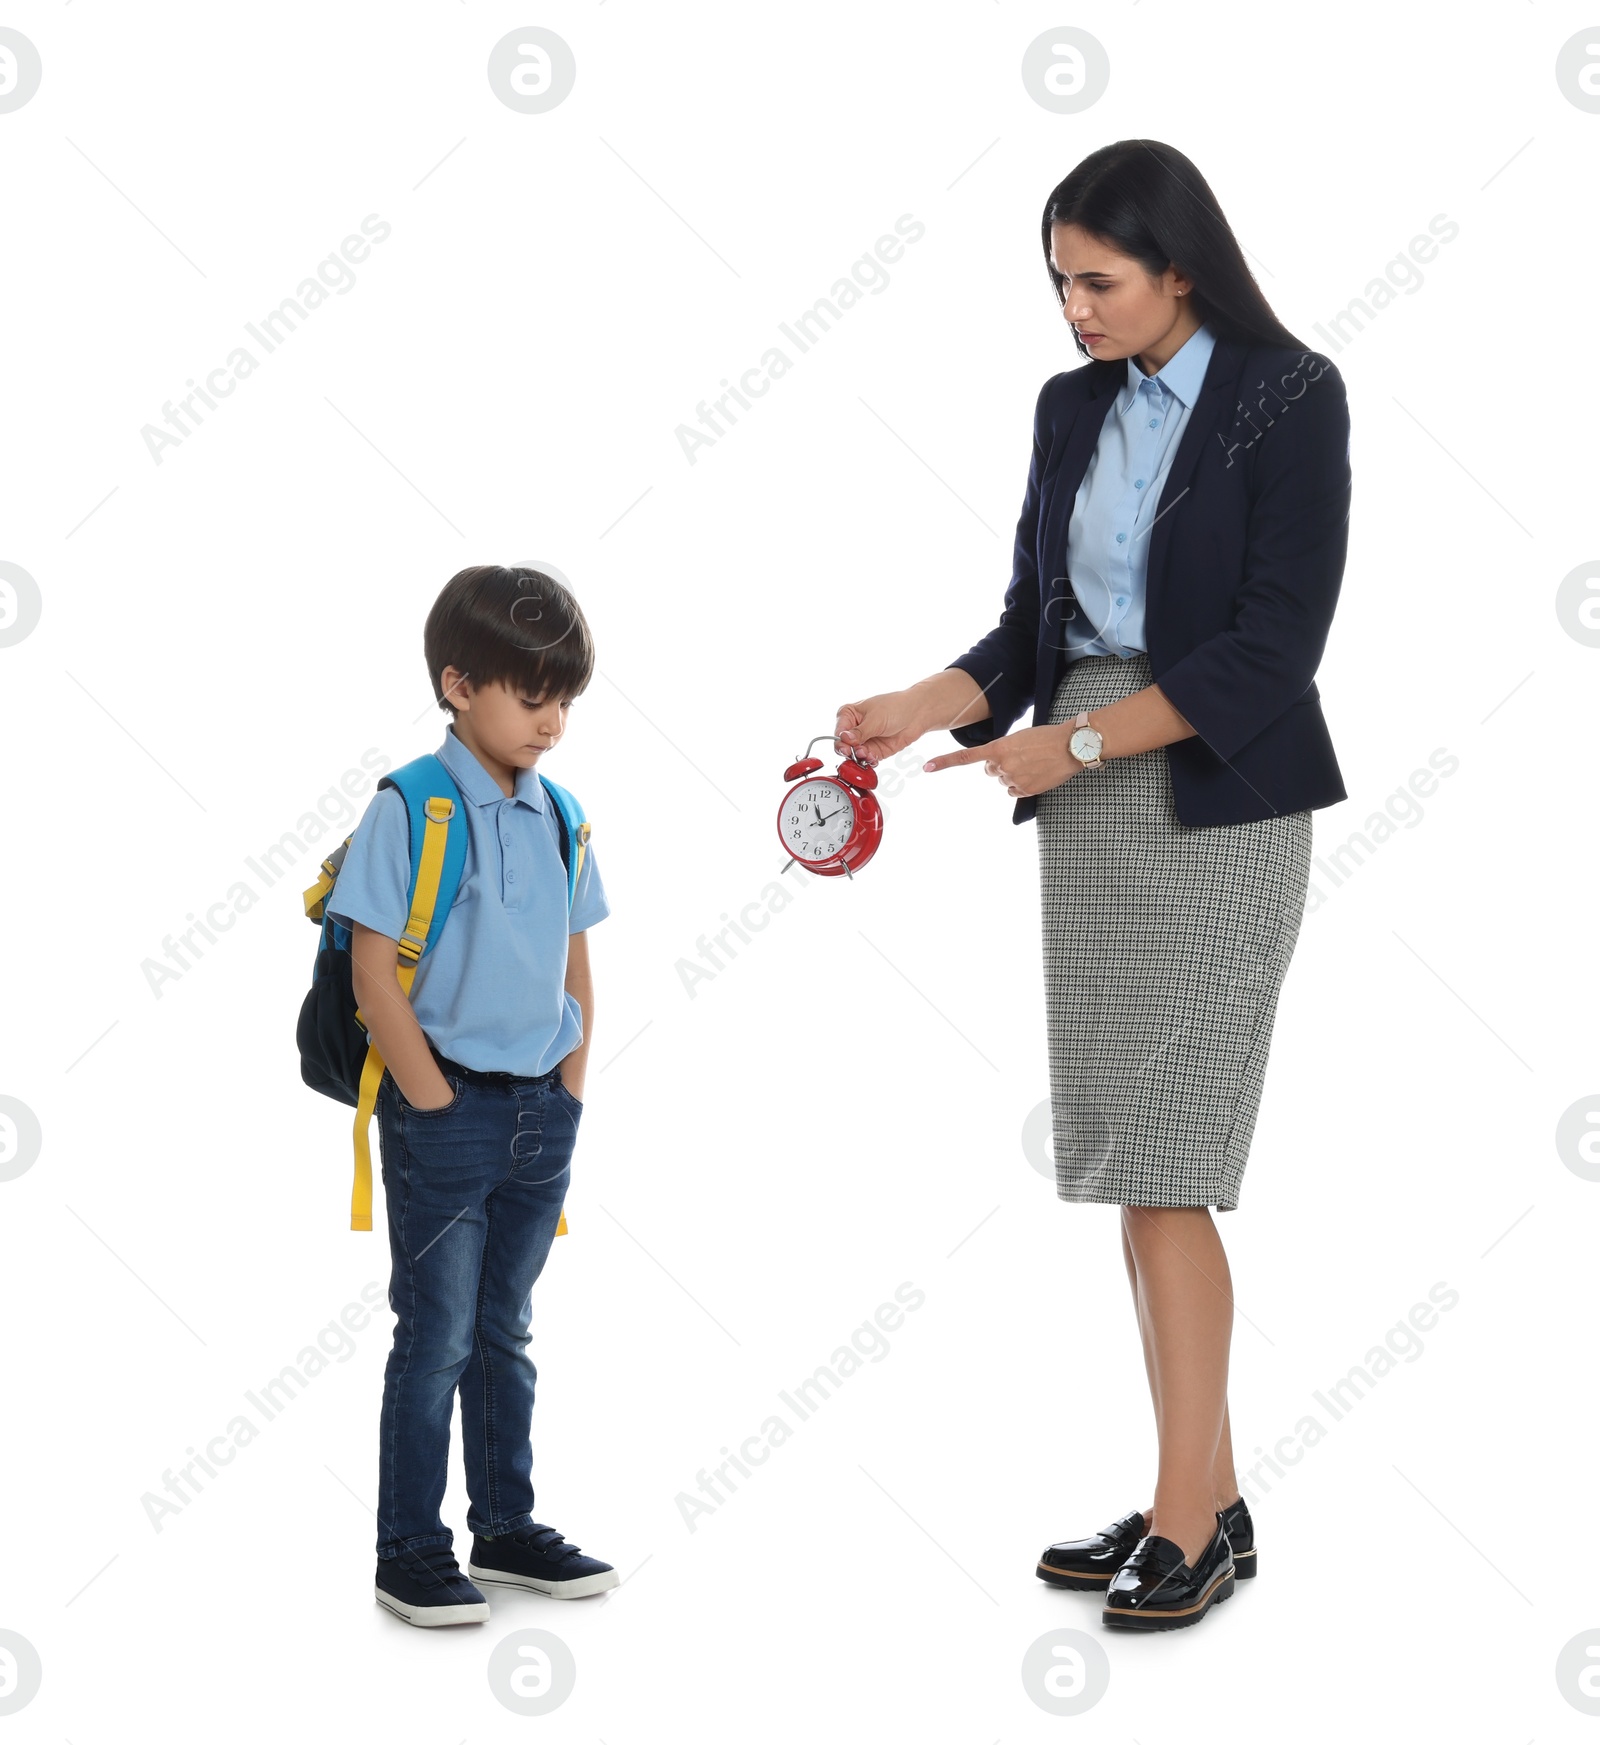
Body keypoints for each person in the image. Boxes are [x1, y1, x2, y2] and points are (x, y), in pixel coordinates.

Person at [834, 139, 1351, 1632]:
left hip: (1215, 792)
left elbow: (1272, 648)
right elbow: (1027, 627)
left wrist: (1073, 743)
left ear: (1182, 265)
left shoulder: (1289, 396)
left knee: (1172, 1159)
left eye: (1100, 281)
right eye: (1059, 281)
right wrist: (920, 703)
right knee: (1136, 1160)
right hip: (1090, 798)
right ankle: (1213, 1492)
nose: (1074, 310)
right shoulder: (1070, 407)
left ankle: (1186, 1513)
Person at [327, 563, 618, 1626]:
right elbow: (371, 969)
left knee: (505, 1328)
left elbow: (576, 961)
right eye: (530, 696)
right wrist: (435, 1101)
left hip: (544, 1107)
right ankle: (409, 1545)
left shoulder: (562, 812)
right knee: (437, 1331)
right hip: (445, 1111)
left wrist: (571, 1086)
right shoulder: (412, 802)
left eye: (565, 700)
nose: (551, 722)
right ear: (458, 683)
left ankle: (505, 1526)